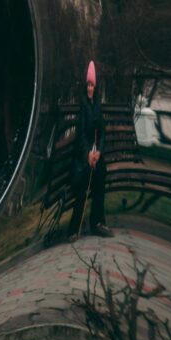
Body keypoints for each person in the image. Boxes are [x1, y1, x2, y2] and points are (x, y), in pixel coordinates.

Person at [67, 60, 113, 240]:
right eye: (88, 85)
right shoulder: (83, 105)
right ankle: (73, 228)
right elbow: (81, 135)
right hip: (82, 158)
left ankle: (98, 223)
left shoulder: (97, 106)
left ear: (96, 86)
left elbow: (102, 133)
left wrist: (98, 153)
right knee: (85, 181)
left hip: (95, 154)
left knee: (101, 173)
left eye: (92, 85)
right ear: (85, 86)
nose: (90, 88)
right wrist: (88, 154)